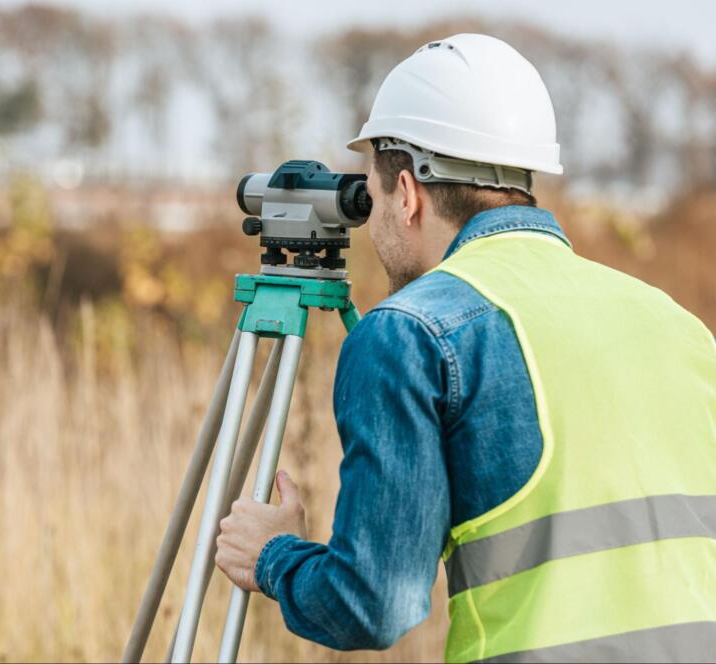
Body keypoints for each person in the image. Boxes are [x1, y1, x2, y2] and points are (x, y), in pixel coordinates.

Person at [214, 33, 716, 662]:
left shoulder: (409, 333)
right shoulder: (676, 324)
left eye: (371, 192)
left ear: (407, 192)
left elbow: (375, 605)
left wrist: (273, 557)